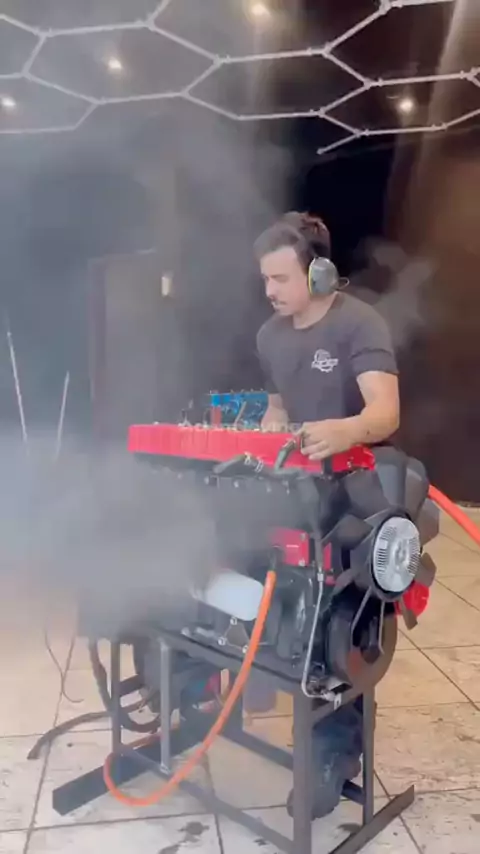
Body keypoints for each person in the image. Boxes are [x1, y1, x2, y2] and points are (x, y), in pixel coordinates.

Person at [254, 211, 400, 820]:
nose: (269, 290)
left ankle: (334, 754)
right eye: (265, 279)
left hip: (354, 492)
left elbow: (385, 413)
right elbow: (277, 406)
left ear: (318, 273)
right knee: (269, 598)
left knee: (335, 627)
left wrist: (342, 430)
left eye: (281, 278)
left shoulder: (358, 323)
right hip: (297, 489)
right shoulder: (270, 335)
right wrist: (271, 429)